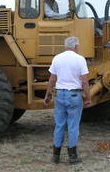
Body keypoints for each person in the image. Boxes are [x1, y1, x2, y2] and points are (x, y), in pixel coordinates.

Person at [44, 36, 92, 164]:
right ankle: (72, 156)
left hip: (59, 94)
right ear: (76, 46)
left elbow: (52, 79)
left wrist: (48, 94)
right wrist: (88, 98)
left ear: (66, 46)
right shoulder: (80, 59)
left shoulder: (57, 58)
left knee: (59, 125)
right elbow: (85, 82)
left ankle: (55, 156)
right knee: (73, 126)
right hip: (74, 96)